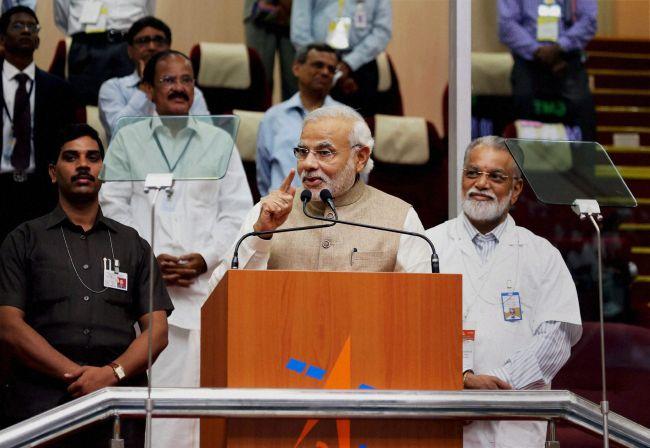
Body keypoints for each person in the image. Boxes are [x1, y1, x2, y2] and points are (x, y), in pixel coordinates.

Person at [99, 50, 252, 448]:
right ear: (148, 89)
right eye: (169, 80)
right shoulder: (128, 139)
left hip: (203, 295)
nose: (180, 87)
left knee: (194, 414)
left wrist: (204, 258)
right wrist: (148, 260)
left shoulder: (218, 141)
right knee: (153, 414)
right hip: (144, 298)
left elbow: (236, 214)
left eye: (187, 79)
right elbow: (112, 207)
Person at [0, 123, 173, 447]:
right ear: (53, 172)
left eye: (92, 157)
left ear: (103, 171)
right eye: (71, 157)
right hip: (40, 405)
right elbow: (8, 326)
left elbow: (157, 331)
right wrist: (78, 377)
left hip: (117, 404)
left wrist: (110, 375)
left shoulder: (132, 243)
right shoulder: (23, 239)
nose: (83, 164)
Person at [425, 136, 582, 447]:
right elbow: (408, 331)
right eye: (472, 173)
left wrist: (498, 385)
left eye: (495, 176)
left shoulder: (542, 254)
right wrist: (461, 380)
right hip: (442, 414)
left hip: (514, 422)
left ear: (516, 190)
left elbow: (557, 337)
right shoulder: (426, 244)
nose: (481, 184)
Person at [208, 104, 431, 290]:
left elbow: (421, 303)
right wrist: (261, 236)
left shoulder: (399, 219)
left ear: (360, 158)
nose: (308, 164)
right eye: (302, 152)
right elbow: (219, 294)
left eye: (325, 153)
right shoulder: (269, 213)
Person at [0, 6, 80, 243]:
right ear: (2, 39)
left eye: (32, 26)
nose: (26, 30)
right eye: (17, 25)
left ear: (37, 39)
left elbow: (65, 144)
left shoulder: (60, 90)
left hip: (42, 190)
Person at [98, 16, 210, 140]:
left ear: (169, 47)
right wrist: (145, 86)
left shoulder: (187, 91)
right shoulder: (113, 87)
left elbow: (206, 137)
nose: (152, 47)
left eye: (159, 40)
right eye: (143, 41)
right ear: (130, 51)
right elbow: (118, 133)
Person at [498, 0, 597, 141]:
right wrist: (536, 50)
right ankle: (522, 160)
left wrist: (560, 47)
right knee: (522, 101)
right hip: (529, 58)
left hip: (566, 57)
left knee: (583, 110)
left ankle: (583, 161)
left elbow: (589, 21)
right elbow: (506, 25)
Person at [256, 43, 342, 196]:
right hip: (282, 212)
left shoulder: (346, 119)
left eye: (331, 69)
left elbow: (357, 174)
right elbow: (264, 177)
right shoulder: (273, 118)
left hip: (331, 211)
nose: (325, 72)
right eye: (318, 65)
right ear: (296, 68)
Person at [291, 0, 392, 116]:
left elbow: (382, 32)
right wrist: (321, 59)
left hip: (361, 64)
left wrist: (350, 63)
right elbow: (299, 30)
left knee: (359, 126)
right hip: (317, 62)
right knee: (310, 119)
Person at [54, 0, 155, 105]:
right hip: (85, 46)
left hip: (124, 47)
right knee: (81, 105)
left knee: (125, 103)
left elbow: (147, 16)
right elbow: (62, 16)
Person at [243, 0, 296, 100]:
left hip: (293, 15)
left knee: (294, 80)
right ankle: (259, 115)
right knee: (260, 79)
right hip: (260, 15)